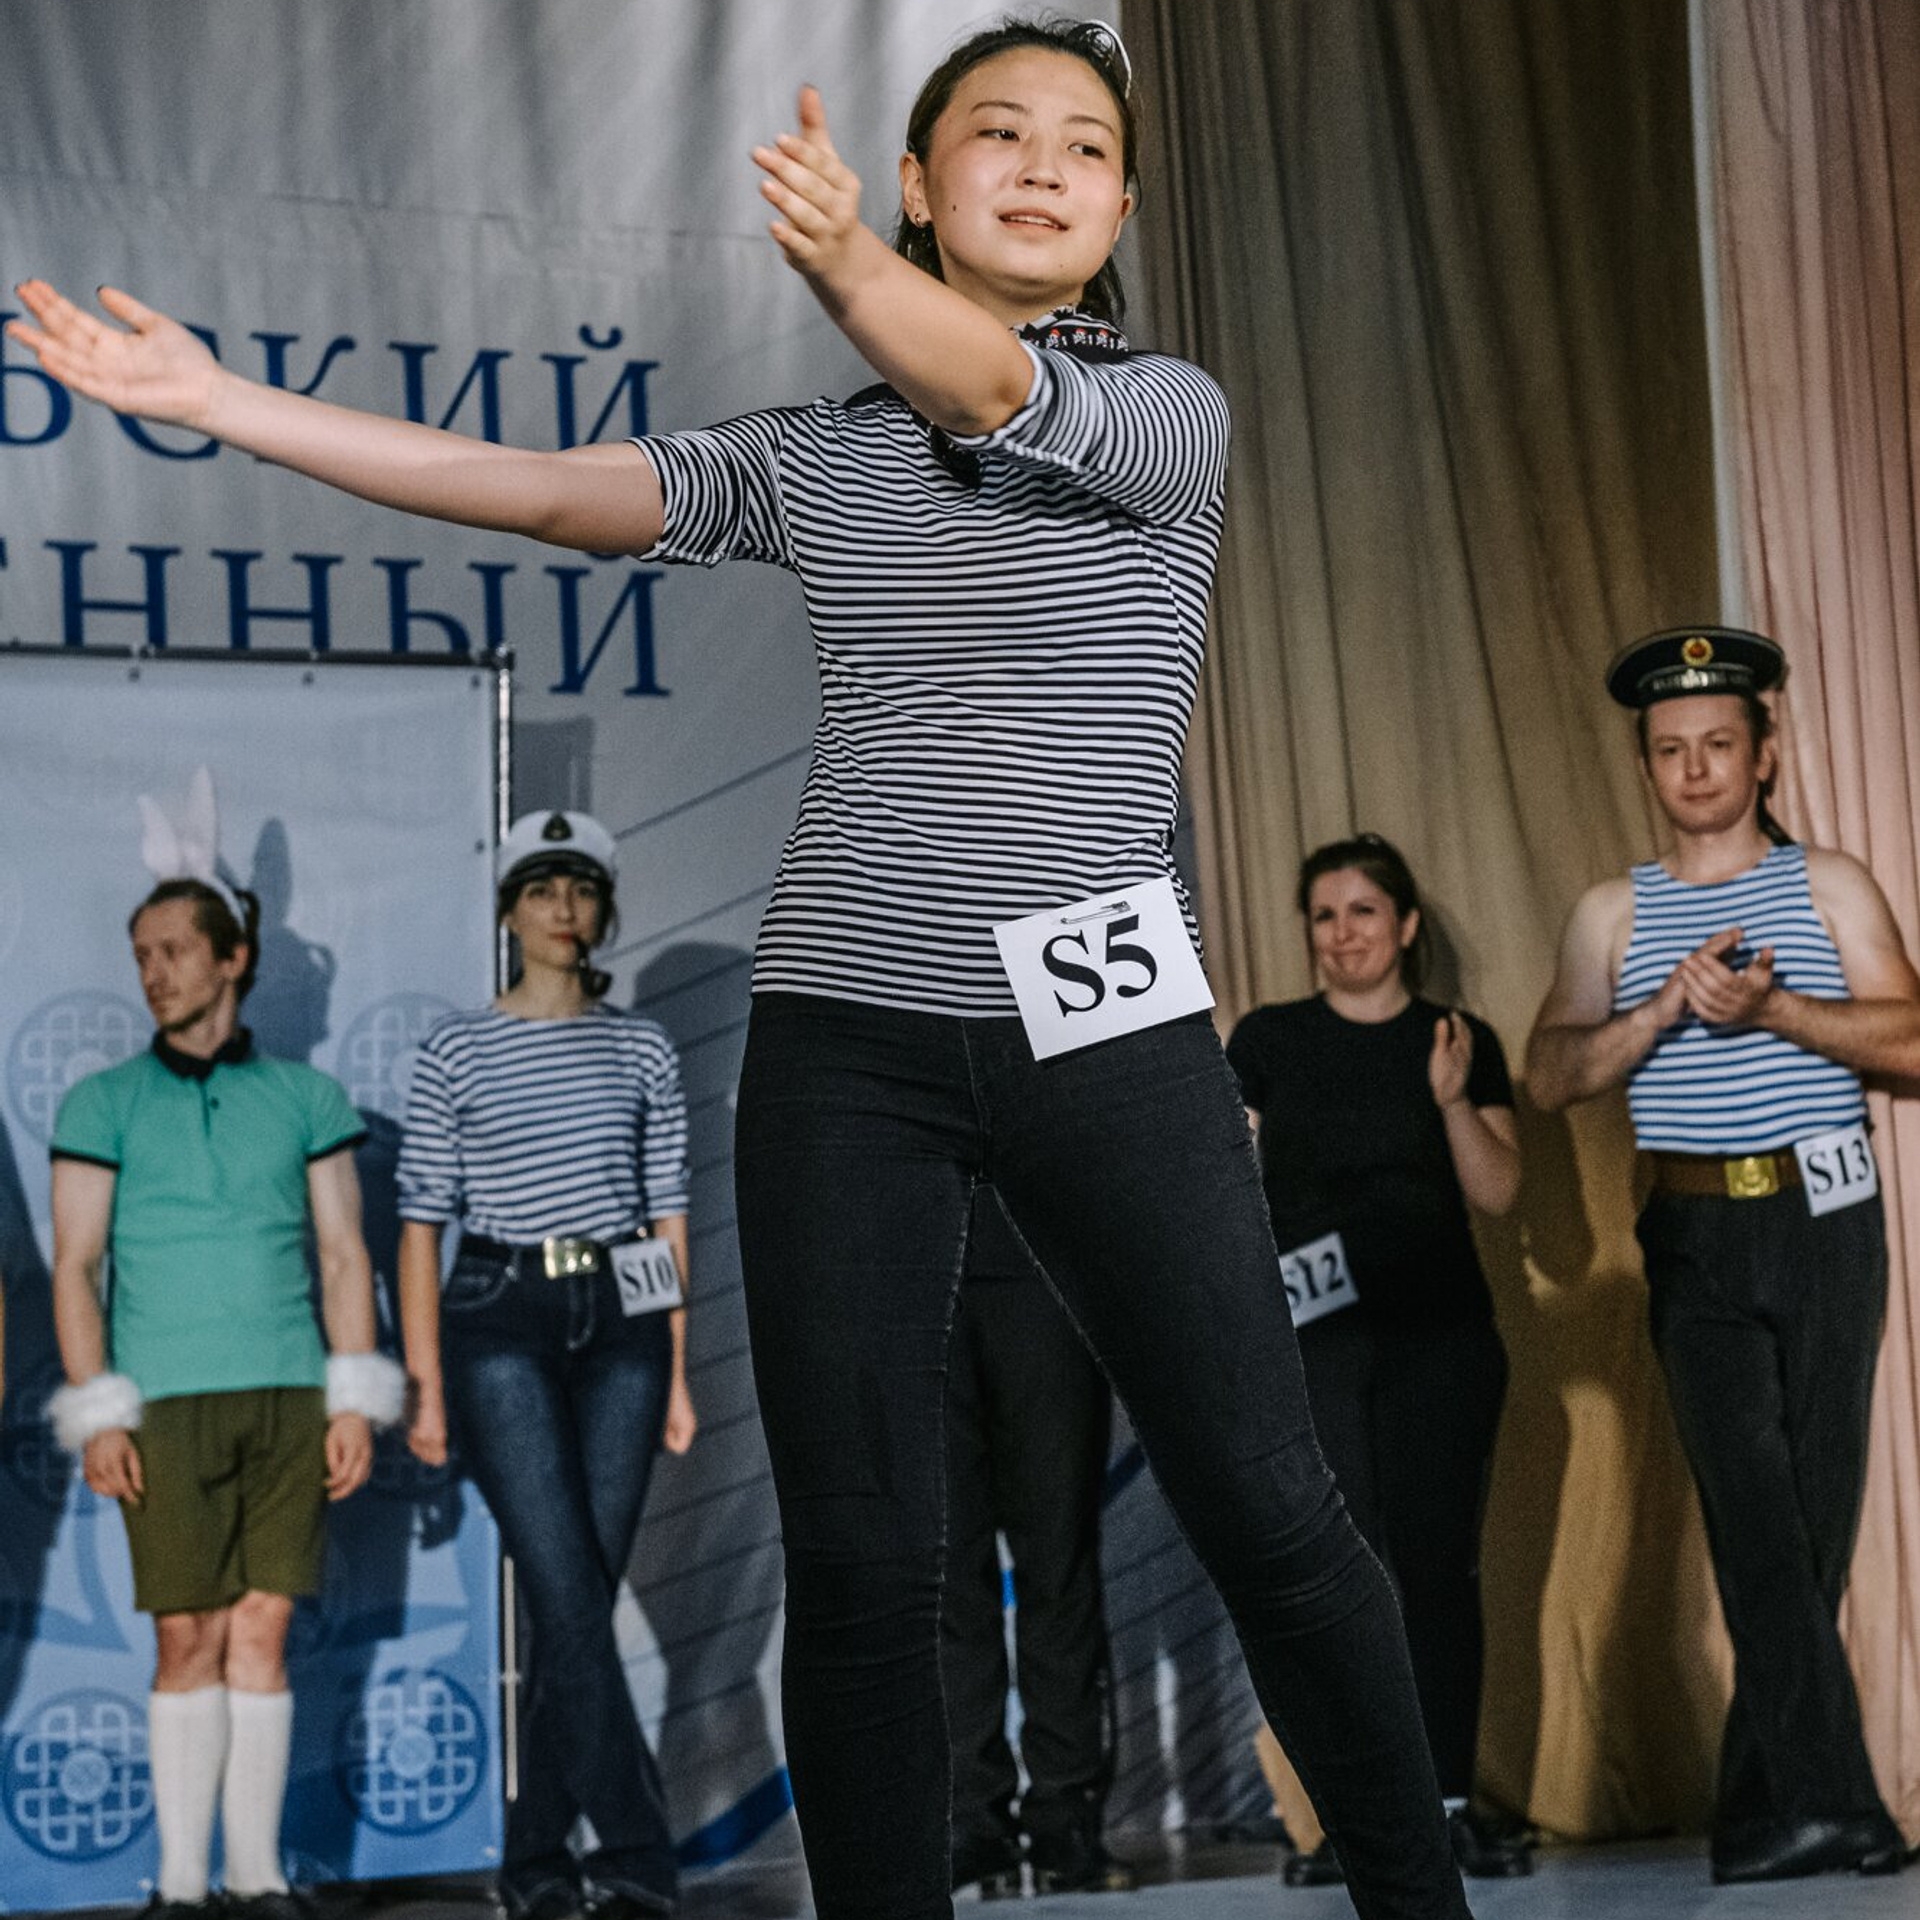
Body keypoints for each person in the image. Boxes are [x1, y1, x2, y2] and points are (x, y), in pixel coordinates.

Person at [8, 20, 1476, 1917]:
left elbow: (994, 388)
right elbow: (533, 488)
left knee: (1274, 1510)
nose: (1040, 165)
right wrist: (227, 405)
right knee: (862, 1558)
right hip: (847, 1039)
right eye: (994, 135)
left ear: (1119, 203)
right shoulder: (819, 462)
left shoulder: (1164, 414)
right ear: (927, 177)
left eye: (1084, 145)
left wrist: (857, 269)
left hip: (1102, 1025)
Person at [1526, 625, 1920, 1884]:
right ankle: (1840, 1809)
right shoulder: (1614, 911)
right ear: (1646, 763)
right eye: (1669, 750)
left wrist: (1777, 1009)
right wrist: (1657, 1012)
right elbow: (1547, 1075)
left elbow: (1913, 1044)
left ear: (1762, 752)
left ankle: (1764, 1819)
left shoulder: (1830, 885)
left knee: (1806, 1524)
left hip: (1826, 1220)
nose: (1694, 769)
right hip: (1692, 1234)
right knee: (1755, 1518)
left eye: (1718, 745)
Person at [47, 874, 403, 1920]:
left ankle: (257, 1880)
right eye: (142, 956)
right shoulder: (101, 1101)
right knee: (183, 1638)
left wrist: (350, 1399)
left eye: (172, 950)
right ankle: (184, 1887)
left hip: (290, 1393)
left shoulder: (306, 1098)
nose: (153, 973)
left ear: (232, 957)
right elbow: (75, 1267)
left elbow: (346, 1258)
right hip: (164, 1402)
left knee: (262, 1632)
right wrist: (98, 1409)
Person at [397, 809, 694, 1920]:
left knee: (579, 1599)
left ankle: (535, 1865)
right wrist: (423, 1382)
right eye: (540, 890)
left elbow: (668, 1209)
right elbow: (421, 1220)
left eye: (578, 890)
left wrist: (676, 1369)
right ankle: (635, 1854)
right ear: (510, 912)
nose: (562, 910)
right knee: (567, 1592)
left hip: (622, 1309)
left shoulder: (644, 1046)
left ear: (602, 908)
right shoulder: (455, 1046)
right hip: (499, 1311)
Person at [1227, 836, 1529, 1886]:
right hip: (1314, 1348)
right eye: (1324, 914)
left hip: (1440, 1340)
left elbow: (1499, 1194)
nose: (1342, 933)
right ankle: (1356, 1818)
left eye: (1363, 911)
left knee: (1436, 1570)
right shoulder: (1267, 1039)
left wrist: (1449, 1096)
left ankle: (1446, 1804)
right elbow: (1230, 1183)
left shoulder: (1459, 1038)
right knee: (1337, 1583)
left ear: (1404, 926)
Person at [941, 1186, 1131, 1900]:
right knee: (948, 1569)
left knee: (1059, 1558)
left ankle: (1066, 1813)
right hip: (917, 1270)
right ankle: (969, 1818)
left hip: (1045, 1265)